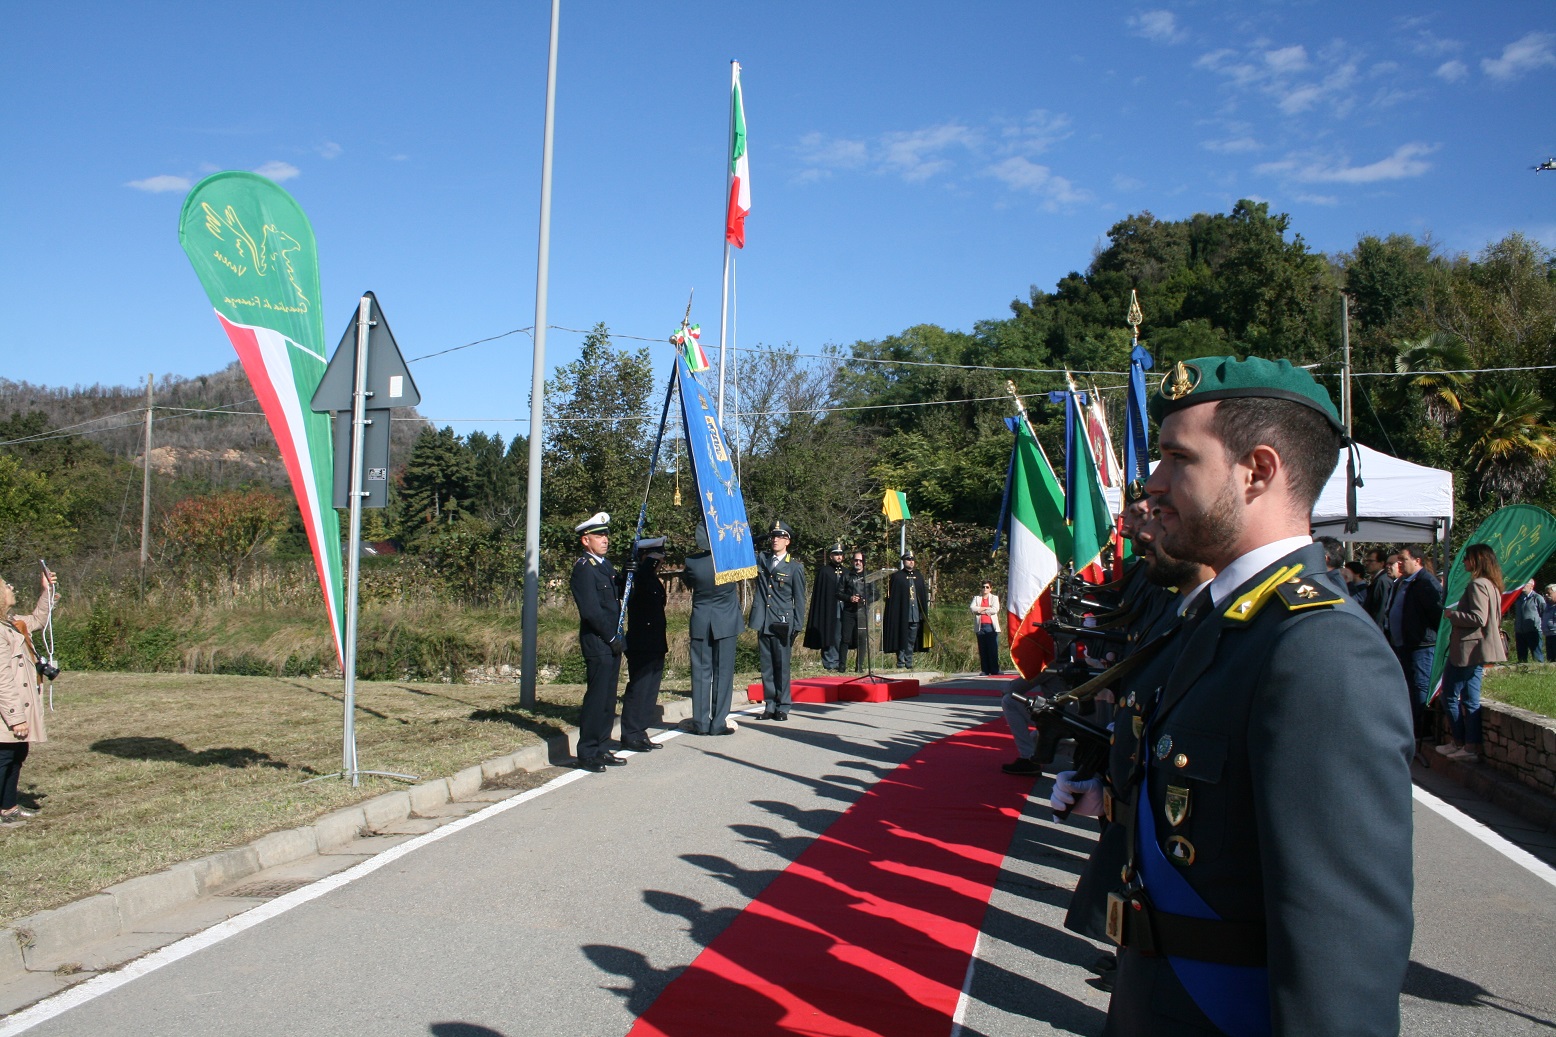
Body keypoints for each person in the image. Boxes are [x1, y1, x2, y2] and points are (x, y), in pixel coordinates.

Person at [1054, 355, 1413, 1035]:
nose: (1152, 485)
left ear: (1258, 470)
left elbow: (1340, 951)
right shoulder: (1214, 618)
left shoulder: (1320, 650)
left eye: (1176, 459)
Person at [569, 513, 627, 773]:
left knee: (608, 699)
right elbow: (591, 611)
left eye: (605, 535)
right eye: (599, 536)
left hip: (612, 641)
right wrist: (612, 637)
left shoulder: (606, 565)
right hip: (599, 641)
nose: (605, 540)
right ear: (585, 540)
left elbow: (618, 600)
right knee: (596, 699)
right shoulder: (584, 568)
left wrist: (629, 575)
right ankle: (587, 751)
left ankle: (602, 747)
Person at [0, 569, 59, 824]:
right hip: (7, 710)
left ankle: (8, 807)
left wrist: (47, 592)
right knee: (3, 756)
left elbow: (38, 620)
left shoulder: (11, 622)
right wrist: (15, 718)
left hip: (15, 708)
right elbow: (1, 679)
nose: (11, 587)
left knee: (16, 753)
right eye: (6, 585)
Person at [1439, 543, 1507, 763]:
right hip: (1478, 649)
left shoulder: (1477, 585)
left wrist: (1452, 615)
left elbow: (1479, 618)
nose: (1465, 562)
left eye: (1467, 558)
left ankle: (1460, 741)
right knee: (1470, 699)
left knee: (1450, 696)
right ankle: (1470, 745)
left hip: (1468, 649)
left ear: (1477, 560)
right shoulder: (1492, 585)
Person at [682, 525, 743, 736]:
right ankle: (718, 722)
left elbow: (688, 582)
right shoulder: (731, 560)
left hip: (701, 621)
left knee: (700, 673)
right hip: (726, 622)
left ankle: (700, 722)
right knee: (723, 673)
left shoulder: (691, 563)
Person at [749, 520, 807, 721]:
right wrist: (759, 538)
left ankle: (783, 705)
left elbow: (799, 599)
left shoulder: (794, 567)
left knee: (781, 665)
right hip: (763, 621)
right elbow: (746, 547)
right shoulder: (762, 559)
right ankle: (770, 704)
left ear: (787, 541)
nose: (775, 540)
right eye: (772, 536)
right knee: (766, 666)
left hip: (782, 622)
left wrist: (797, 625)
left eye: (780, 536)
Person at [616, 537, 667, 754]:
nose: (660, 563)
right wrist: (635, 568)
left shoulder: (653, 579)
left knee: (650, 690)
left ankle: (640, 732)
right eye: (656, 558)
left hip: (655, 641)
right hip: (641, 642)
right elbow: (623, 590)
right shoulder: (635, 578)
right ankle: (630, 733)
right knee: (639, 688)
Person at [1389, 544, 1443, 741]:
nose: (1399, 564)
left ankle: (1422, 732)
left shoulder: (1426, 583)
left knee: (1420, 687)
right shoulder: (1403, 582)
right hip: (1404, 645)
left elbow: (1437, 615)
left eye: (1403, 559)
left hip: (1422, 646)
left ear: (1417, 561)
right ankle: (1412, 729)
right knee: (1408, 688)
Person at [803, 544, 848, 670]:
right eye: (836, 554)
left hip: (843, 609)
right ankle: (830, 662)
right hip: (828, 610)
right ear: (831, 556)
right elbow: (820, 594)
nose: (839, 557)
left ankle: (841, 662)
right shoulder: (825, 571)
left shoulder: (846, 572)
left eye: (840, 554)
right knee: (830, 635)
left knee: (841, 636)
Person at [882, 551, 930, 669]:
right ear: (904, 561)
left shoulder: (918, 576)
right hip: (902, 615)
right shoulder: (897, 577)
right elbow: (893, 598)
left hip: (915, 614)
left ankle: (909, 662)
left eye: (913, 559)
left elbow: (922, 596)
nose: (911, 561)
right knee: (901, 638)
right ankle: (900, 661)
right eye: (909, 559)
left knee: (911, 639)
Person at [838, 550, 871, 672]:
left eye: (860, 560)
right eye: (856, 560)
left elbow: (876, 593)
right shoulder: (846, 575)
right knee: (845, 638)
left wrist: (867, 599)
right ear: (852, 561)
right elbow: (838, 593)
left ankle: (860, 666)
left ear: (864, 562)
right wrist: (849, 598)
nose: (858, 562)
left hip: (862, 611)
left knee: (862, 638)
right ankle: (842, 666)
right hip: (849, 611)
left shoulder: (869, 577)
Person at [970, 580, 1001, 676]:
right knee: (982, 649)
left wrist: (980, 609)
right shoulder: (977, 598)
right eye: (983, 587)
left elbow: (995, 609)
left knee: (993, 649)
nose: (985, 589)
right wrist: (987, 608)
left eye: (987, 587)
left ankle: (995, 670)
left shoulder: (994, 598)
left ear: (990, 589)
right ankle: (985, 670)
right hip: (980, 627)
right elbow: (972, 608)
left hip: (991, 626)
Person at [1512, 579, 1545, 663]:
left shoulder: (1537, 598)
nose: (1523, 586)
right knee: (1521, 655)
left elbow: (1543, 612)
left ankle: (1540, 671)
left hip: (1533, 630)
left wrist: (1541, 626)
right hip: (1520, 631)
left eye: (1525, 584)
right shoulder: (1518, 599)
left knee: (1537, 654)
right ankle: (1522, 672)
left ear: (1531, 586)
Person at [1363, 546, 1395, 631]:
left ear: (1381, 563)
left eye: (1371, 561)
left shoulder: (1382, 581)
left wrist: (1377, 631)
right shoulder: (1378, 579)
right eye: (1366, 561)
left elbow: (1381, 609)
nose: (1367, 563)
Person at [1544, 584, 1556, 663]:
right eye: (1546, 593)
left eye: (1549, 593)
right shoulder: (1547, 606)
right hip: (1549, 635)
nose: (1546, 595)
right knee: (1550, 660)